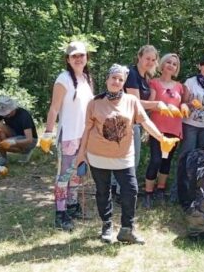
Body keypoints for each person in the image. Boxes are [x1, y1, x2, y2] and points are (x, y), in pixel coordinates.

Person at [76, 64, 179, 244]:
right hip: (98, 155)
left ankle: (126, 230)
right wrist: (81, 153)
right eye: (114, 78)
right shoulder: (95, 102)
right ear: (107, 79)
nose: (116, 82)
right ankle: (106, 226)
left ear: (124, 83)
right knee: (103, 191)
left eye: (120, 79)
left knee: (131, 190)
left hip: (124, 156)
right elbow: (87, 129)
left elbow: (146, 122)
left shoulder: (131, 101)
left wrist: (161, 138)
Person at [43, 41, 95, 231]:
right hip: (68, 137)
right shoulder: (63, 79)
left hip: (84, 136)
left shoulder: (87, 79)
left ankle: (72, 205)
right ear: (68, 59)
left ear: (87, 57)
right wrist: (48, 133)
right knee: (64, 175)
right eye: (74, 56)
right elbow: (54, 108)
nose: (78, 59)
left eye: (81, 55)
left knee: (77, 174)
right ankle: (60, 213)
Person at [142, 53, 188, 208]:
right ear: (162, 64)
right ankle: (148, 193)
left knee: (166, 160)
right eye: (168, 62)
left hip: (174, 129)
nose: (171, 65)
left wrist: (184, 106)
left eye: (174, 64)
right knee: (155, 160)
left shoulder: (179, 86)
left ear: (177, 68)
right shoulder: (154, 83)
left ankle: (160, 190)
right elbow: (150, 105)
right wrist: (164, 106)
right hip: (157, 129)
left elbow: (184, 104)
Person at [176, 55, 204, 207]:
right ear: (200, 66)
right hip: (190, 125)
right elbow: (183, 103)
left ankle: (201, 193)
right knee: (185, 156)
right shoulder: (190, 82)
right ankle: (180, 193)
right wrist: (190, 104)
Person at [0, 96, 37, 161]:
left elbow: (29, 140)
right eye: (4, 114)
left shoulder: (24, 115)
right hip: (15, 134)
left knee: (5, 145)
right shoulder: (4, 113)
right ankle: (3, 158)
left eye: (7, 114)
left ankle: (25, 151)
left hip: (29, 140)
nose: (5, 116)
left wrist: (12, 142)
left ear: (13, 108)